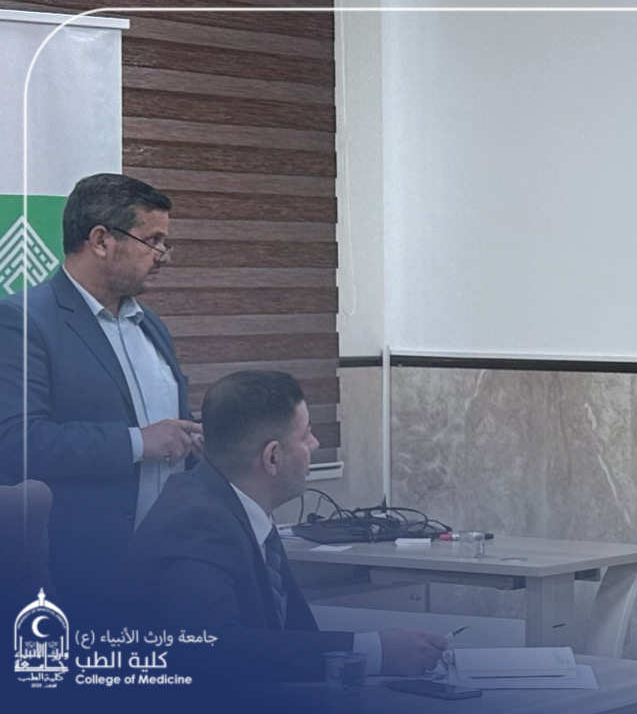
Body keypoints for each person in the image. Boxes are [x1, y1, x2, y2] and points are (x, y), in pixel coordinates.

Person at [119, 371, 446, 681]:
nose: (315, 444)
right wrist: (374, 652)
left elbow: (288, 633)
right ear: (272, 457)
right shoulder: (196, 523)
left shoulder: (235, 504)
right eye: (305, 436)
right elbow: (214, 649)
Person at [0, 173, 202, 616]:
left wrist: (196, 439)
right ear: (101, 240)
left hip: (168, 563)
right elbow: (15, 443)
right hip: (77, 572)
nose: (163, 255)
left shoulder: (150, 324)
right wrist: (138, 442)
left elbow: (168, 427)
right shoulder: (23, 321)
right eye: (152, 240)